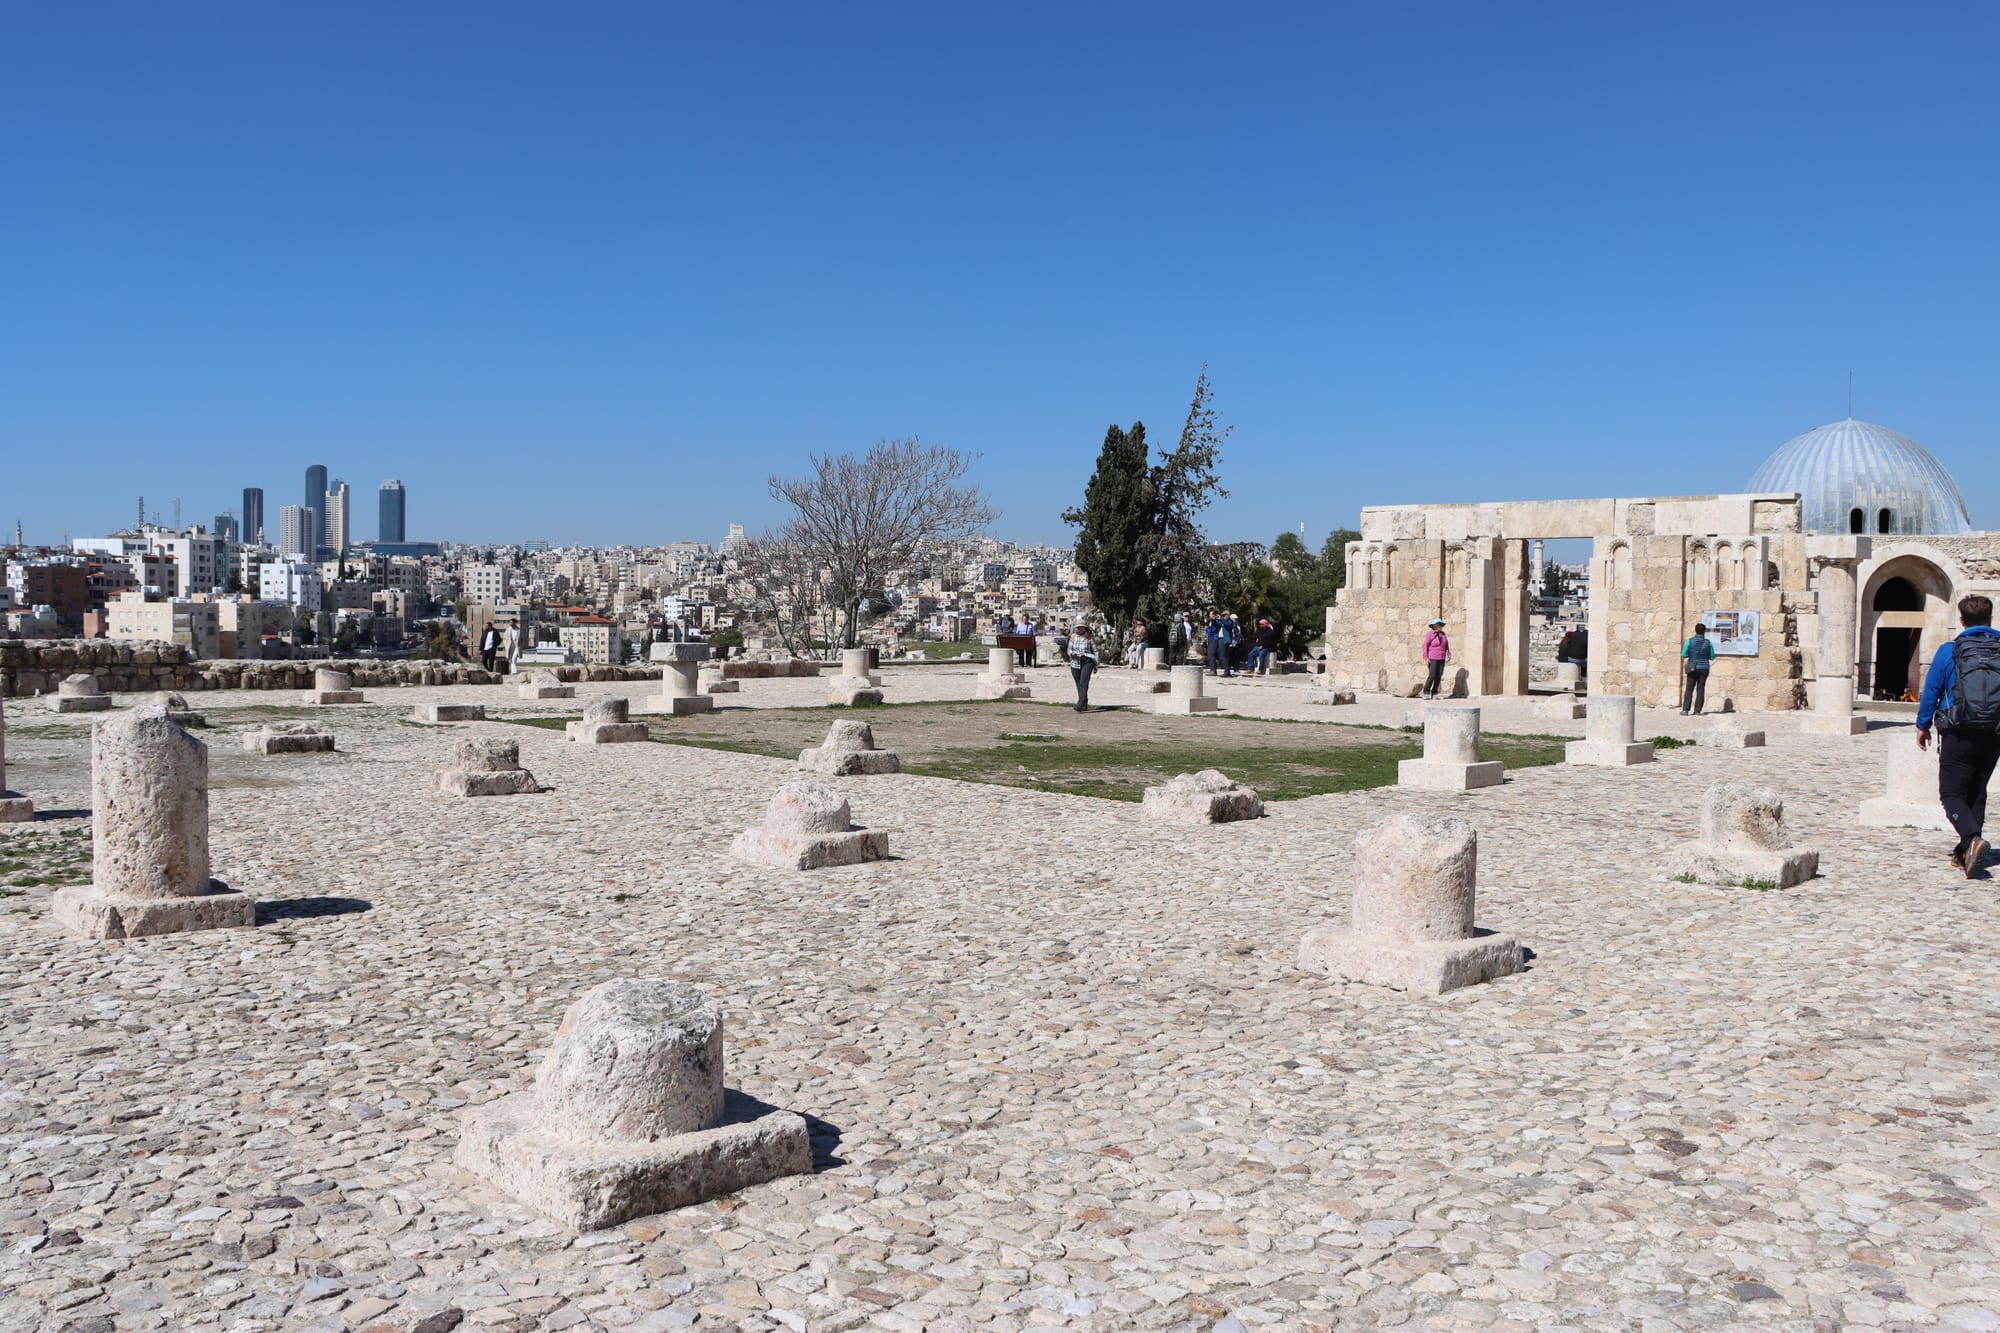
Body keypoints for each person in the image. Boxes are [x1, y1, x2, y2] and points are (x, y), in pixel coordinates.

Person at [1917, 594, 2000, 877]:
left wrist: (1923, 724)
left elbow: (1932, 691)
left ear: (1961, 620)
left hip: (1958, 731)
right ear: (1990, 619)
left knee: (1951, 794)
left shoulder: (1949, 651)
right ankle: (1966, 853)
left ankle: (1971, 839)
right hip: (1993, 732)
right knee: (1977, 791)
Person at [1680, 622, 1715, 715]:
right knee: (1701, 688)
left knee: (1689, 689)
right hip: (1704, 668)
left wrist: (1690, 655)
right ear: (1704, 632)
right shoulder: (1708, 643)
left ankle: (1685, 710)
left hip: (1692, 667)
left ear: (1695, 630)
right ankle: (1697, 711)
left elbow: (1683, 654)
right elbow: (1712, 657)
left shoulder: (1689, 641)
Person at [1066, 622, 1099, 712]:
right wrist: (1071, 653)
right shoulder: (1073, 637)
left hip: (1087, 661)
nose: (1079, 629)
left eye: (1081, 627)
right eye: (1078, 627)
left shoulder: (1089, 637)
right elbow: (1069, 649)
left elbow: (1095, 651)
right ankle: (1084, 703)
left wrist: (1096, 664)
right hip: (1075, 662)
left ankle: (1080, 704)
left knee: (1083, 682)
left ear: (1085, 628)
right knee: (1079, 684)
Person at [1421, 618, 1450, 699]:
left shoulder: (1443, 634)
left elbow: (1446, 645)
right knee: (1432, 675)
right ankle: (1426, 692)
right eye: (1438, 624)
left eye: (1441, 625)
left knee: (1439, 675)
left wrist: (1448, 654)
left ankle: (1434, 693)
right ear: (1434, 626)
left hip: (1441, 657)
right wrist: (1426, 658)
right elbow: (1425, 646)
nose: (1440, 626)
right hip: (1432, 657)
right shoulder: (1429, 634)